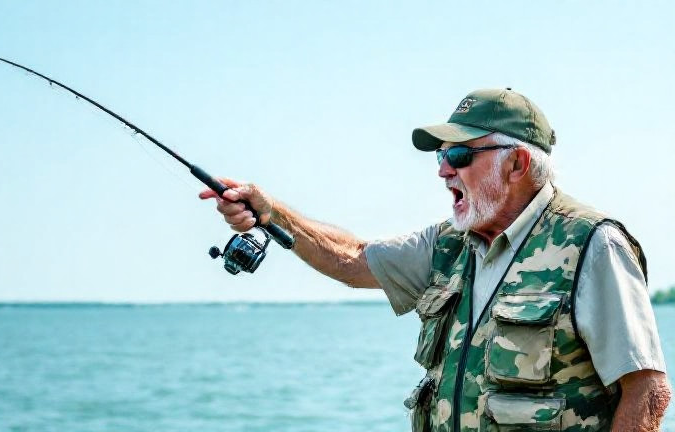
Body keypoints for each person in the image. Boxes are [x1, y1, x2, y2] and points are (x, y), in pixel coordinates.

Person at [198, 88, 670, 431]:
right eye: (442, 155)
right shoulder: (450, 243)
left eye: (461, 154)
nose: (444, 169)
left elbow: (647, 393)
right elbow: (352, 259)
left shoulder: (593, 244)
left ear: (518, 164)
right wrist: (270, 212)